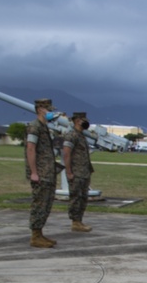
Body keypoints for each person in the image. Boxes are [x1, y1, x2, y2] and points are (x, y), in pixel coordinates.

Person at [24, 98, 61, 249]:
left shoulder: (44, 127)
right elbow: (30, 149)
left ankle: (39, 233)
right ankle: (35, 236)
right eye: (48, 109)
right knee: (39, 203)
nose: (51, 112)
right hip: (41, 172)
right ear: (40, 109)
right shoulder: (34, 127)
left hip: (48, 172)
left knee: (46, 204)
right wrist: (34, 172)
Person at [62, 111, 94, 232]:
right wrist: (69, 171)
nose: (86, 122)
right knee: (76, 197)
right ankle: (75, 222)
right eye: (83, 120)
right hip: (76, 172)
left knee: (83, 198)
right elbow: (66, 153)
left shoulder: (81, 136)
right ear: (77, 120)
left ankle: (79, 221)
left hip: (84, 172)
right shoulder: (72, 135)